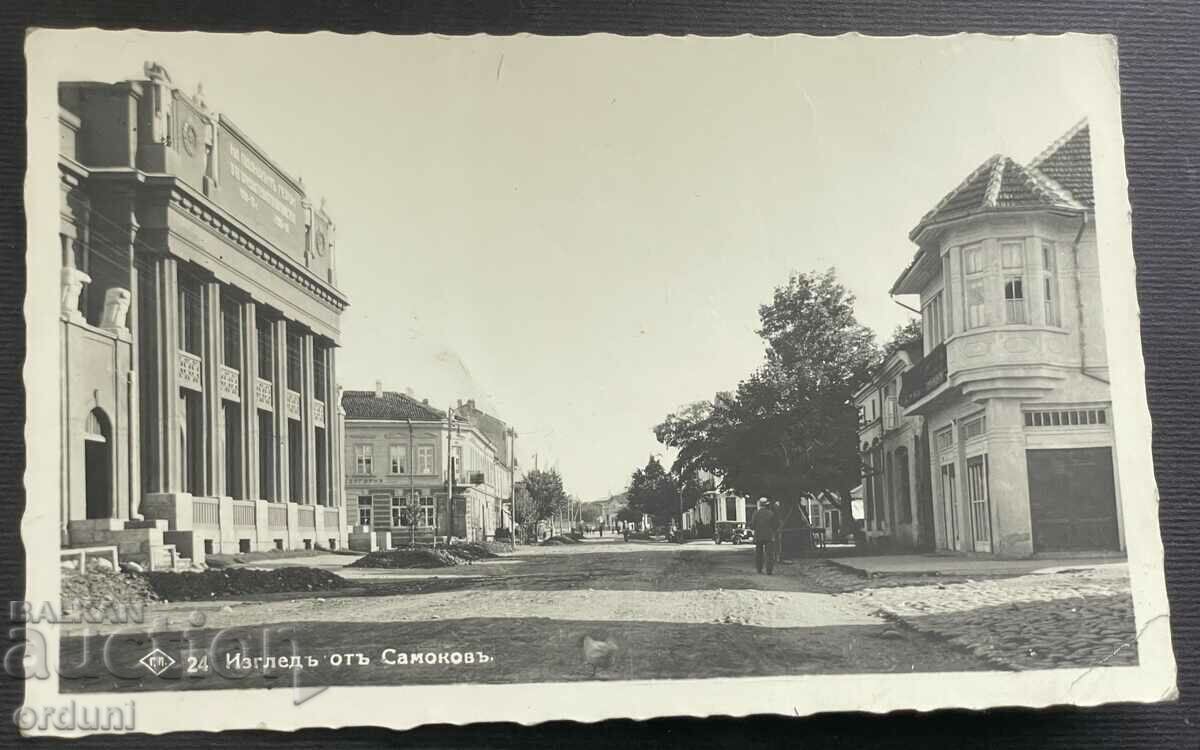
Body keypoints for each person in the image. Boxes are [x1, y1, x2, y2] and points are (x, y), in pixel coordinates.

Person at [749, 497, 781, 575]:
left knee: (758, 553)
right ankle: (769, 570)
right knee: (769, 554)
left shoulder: (756, 513)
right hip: (769, 536)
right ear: (767, 504)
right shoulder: (771, 513)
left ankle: (759, 569)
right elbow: (776, 525)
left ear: (760, 504)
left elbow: (752, 525)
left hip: (758, 536)